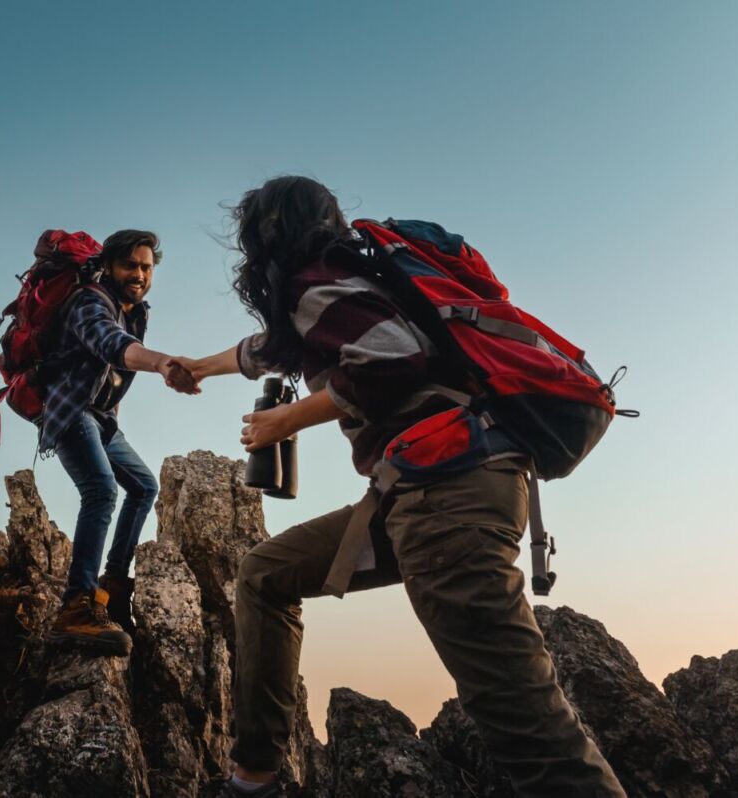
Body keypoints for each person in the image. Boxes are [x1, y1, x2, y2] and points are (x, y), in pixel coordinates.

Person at [176, 177, 626, 797]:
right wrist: (199, 367)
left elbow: (390, 358)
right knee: (265, 575)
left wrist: (287, 419)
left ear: (266, 235)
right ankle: (253, 780)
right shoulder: (360, 281)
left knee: (523, 719)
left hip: (448, 496)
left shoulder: (317, 284)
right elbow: (272, 348)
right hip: (429, 491)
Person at [42, 229, 196, 657]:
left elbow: (112, 373)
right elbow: (111, 345)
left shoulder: (136, 312)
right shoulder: (89, 301)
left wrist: (113, 418)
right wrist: (162, 363)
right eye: (130, 265)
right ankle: (76, 606)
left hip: (102, 419)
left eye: (146, 267)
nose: (139, 274)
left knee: (144, 486)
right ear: (109, 266)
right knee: (101, 490)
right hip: (71, 411)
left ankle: (111, 588)